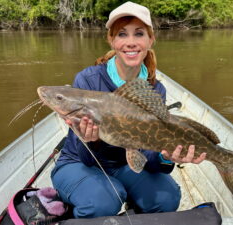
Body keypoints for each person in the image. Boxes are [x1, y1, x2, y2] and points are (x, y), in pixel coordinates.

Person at [51, 1, 206, 219]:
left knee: (167, 198)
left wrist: (167, 157)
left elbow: (150, 159)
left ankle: (134, 213)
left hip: (125, 163)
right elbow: (85, 157)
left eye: (139, 34)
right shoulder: (88, 79)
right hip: (79, 162)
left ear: (150, 40)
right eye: (122, 34)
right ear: (111, 40)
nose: (131, 42)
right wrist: (91, 140)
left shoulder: (154, 90)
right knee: (103, 201)